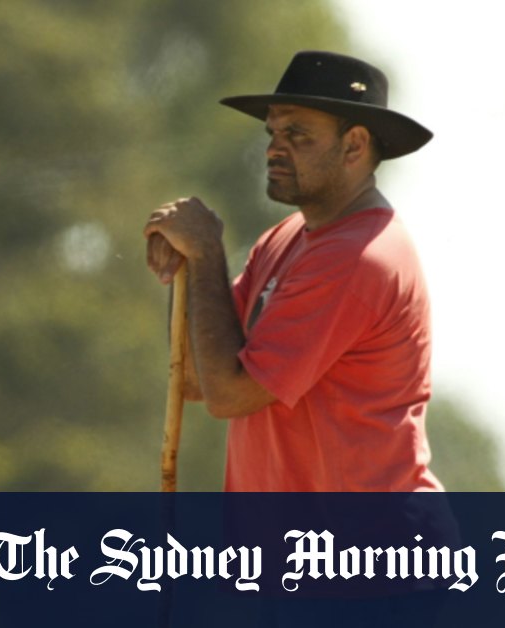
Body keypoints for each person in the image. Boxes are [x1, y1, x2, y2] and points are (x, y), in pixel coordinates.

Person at [143, 50, 443, 493]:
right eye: (273, 133)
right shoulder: (286, 238)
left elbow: (230, 394)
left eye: (297, 134)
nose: (273, 149)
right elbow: (193, 378)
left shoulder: (358, 258)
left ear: (355, 145)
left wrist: (206, 252)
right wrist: (186, 264)